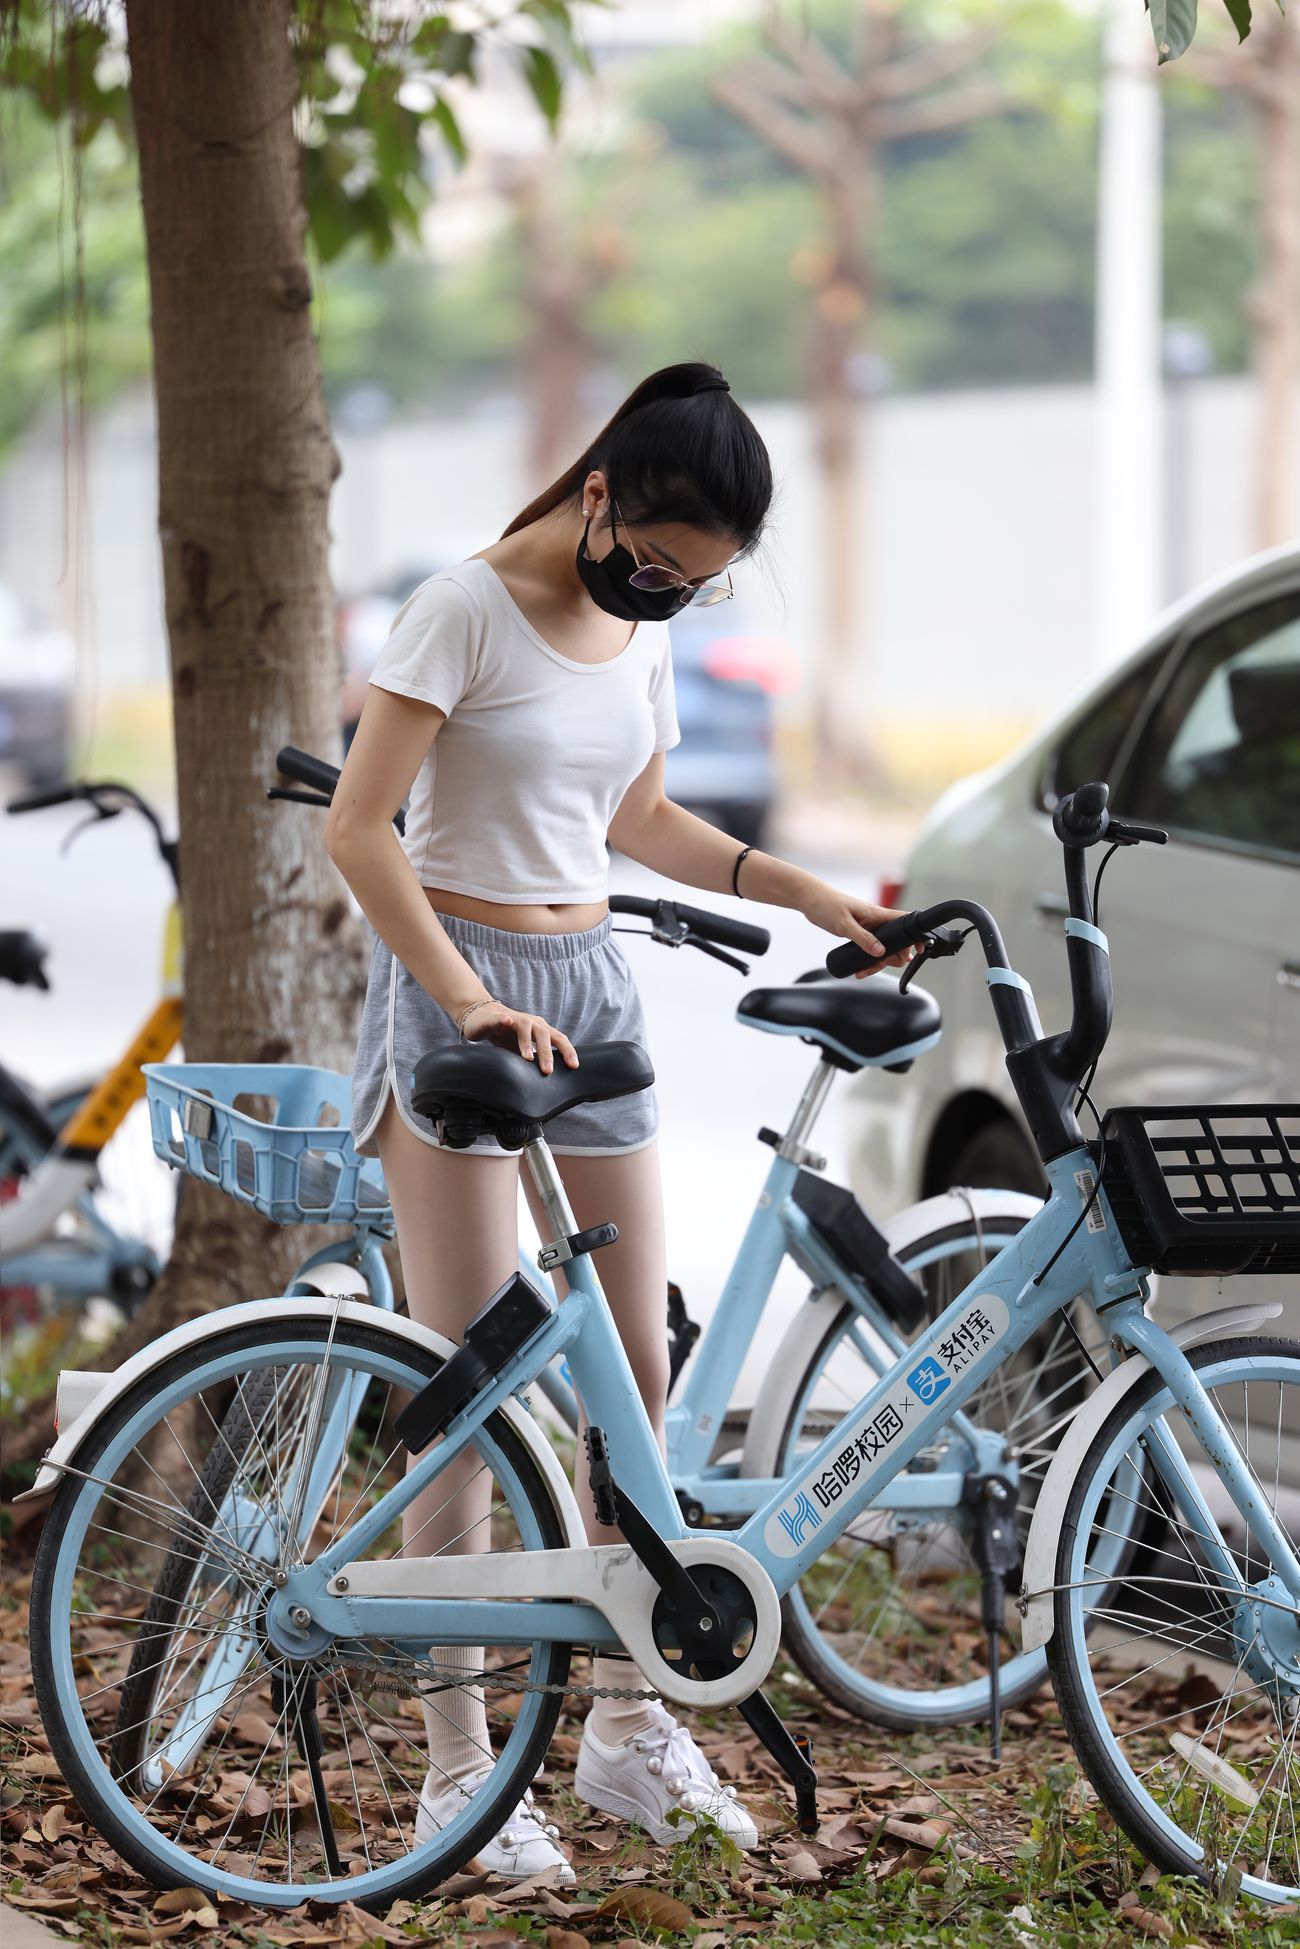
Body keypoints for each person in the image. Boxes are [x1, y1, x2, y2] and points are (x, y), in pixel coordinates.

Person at [325, 361, 909, 1882]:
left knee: (635, 1382)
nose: (663, 597)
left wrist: (798, 891)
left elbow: (639, 818)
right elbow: (357, 825)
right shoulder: (462, 605)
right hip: (464, 987)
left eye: (696, 588)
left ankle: (633, 1731)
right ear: (598, 496)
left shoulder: (637, 635)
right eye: (655, 564)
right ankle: (462, 1776)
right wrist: (460, 998)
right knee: (464, 1399)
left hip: (593, 983)